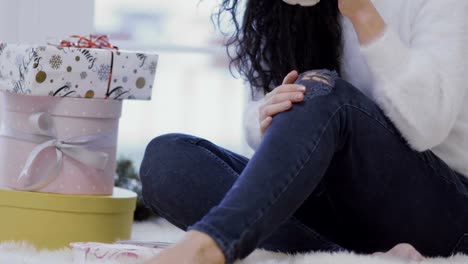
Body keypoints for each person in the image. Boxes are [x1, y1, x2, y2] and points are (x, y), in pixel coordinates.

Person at [140, 0, 468, 263]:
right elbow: (267, 118)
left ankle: (212, 243)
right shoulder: (285, 12)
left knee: (323, 90)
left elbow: (427, 127)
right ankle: (354, 257)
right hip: (338, 205)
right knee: (168, 161)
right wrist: (267, 113)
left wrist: (362, 11)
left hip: (440, 209)